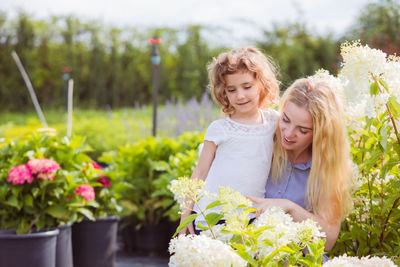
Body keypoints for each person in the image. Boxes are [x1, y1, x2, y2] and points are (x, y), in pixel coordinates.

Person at [179, 47, 280, 235]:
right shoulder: (220, 129)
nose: (240, 95)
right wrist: (186, 214)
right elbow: (200, 173)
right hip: (213, 216)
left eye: (247, 86)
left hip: (251, 216)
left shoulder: (274, 121)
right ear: (223, 92)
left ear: (261, 83)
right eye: (232, 90)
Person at [248, 76, 353, 251]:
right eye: (285, 120)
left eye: (303, 130)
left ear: (321, 135)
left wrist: (290, 208)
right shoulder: (262, 141)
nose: (288, 134)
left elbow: (328, 240)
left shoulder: (327, 168)